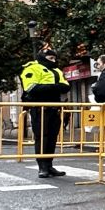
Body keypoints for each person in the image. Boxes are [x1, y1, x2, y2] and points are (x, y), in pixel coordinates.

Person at [18, 47, 70, 177]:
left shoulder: (57, 70)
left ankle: (49, 164)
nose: (54, 60)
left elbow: (66, 87)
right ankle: (42, 166)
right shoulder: (31, 68)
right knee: (42, 137)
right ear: (42, 57)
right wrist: (54, 87)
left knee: (52, 138)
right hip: (39, 109)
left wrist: (48, 87)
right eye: (50, 58)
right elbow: (32, 88)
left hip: (54, 108)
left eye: (54, 58)